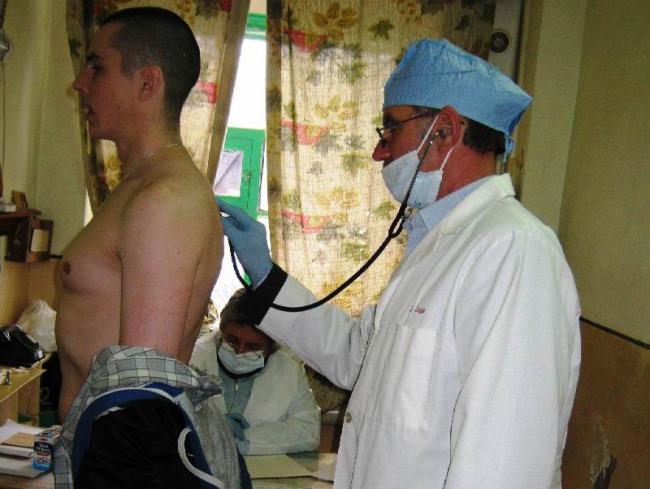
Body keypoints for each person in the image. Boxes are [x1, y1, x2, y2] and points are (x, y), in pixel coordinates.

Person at [219, 39, 581, 489]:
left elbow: (505, 461)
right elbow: (356, 356)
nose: (379, 152)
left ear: (445, 130)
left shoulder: (512, 248)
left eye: (390, 129)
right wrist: (266, 277)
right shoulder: (434, 247)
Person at [53, 8, 246, 489]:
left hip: (119, 466)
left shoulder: (164, 199)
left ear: (147, 83)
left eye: (96, 66)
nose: (80, 83)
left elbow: (143, 396)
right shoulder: (140, 187)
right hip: (98, 455)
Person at [191, 289, 321, 455]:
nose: (239, 351)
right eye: (232, 340)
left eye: (252, 346)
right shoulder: (194, 358)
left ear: (270, 348)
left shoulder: (288, 368)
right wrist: (210, 427)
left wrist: (245, 440)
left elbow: (308, 430)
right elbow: (172, 419)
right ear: (222, 332)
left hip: (261, 465)